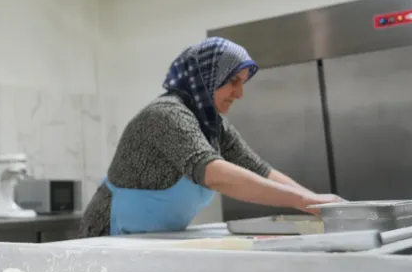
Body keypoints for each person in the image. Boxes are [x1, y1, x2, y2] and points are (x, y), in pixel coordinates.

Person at [78, 37, 343, 238]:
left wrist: (319, 203)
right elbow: (213, 173)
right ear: (205, 78)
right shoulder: (165, 115)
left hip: (151, 238)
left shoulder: (213, 124)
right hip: (109, 235)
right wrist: (306, 202)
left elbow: (259, 170)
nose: (239, 93)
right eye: (233, 81)